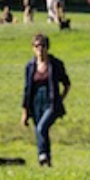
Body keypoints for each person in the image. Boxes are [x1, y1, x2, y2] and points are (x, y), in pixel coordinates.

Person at [21, 33, 70, 167]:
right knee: (41, 130)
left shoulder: (55, 64)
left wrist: (61, 98)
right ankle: (46, 161)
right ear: (33, 48)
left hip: (51, 102)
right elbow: (26, 89)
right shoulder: (30, 66)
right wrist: (25, 112)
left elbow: (66, 83)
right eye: (37, 46)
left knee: (42, 127)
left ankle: (42, 155)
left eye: (43, 46)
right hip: (35, 102)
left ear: (47, 47)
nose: (40, 49)